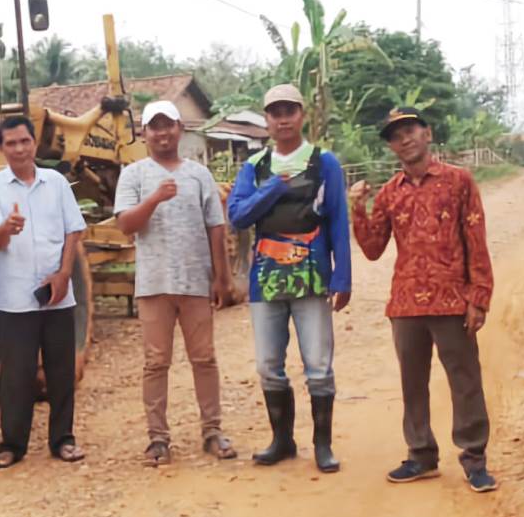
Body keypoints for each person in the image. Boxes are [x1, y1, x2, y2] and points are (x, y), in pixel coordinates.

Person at [349, 107, 498, 493]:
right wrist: (357, 208)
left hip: (451, 299)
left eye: (411, 130)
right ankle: (421, 454)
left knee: (465, 379)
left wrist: (478, 296)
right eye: (396, 135)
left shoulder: (458, 182)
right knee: (412, 381)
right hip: (406, 304)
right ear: (392, 147)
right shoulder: (389, 193)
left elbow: (475, 240)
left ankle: (474, 459)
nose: (405, 139)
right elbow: (372, 249)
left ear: (427, 134)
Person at [227, 84, 351, 473]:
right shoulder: (256, 167)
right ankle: (282, 440)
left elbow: (337, 219)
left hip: (312, 275)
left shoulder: (323, 162)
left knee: (318, 362)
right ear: (266, 120)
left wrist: (342, 276)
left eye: (290, 111)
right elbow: (238, 215)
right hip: (265, 278)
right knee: (267, 363)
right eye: (275, 112)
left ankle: (322, 445)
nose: (283, 119)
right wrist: (272, 189)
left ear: (302, 116)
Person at [114, 100, 238, 467]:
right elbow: (126, 225)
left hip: (195, 282)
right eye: (155, 127)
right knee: (155, 363)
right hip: (154, 284)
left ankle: (212, 431)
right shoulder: (133, 175)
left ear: (180, 129)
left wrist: (222, 276)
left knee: (204, 358)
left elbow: (216, 227)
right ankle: (158, 439)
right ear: (144, 133)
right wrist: (155, 198)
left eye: (169, 125)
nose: (163, 133)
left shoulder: (199, 175)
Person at [0, 116, 88, 468]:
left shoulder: (55, 182)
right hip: (15, 301)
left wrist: (65, 273)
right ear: (1, 148)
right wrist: (5, 229)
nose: (20, 148)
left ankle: (63, 440)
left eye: (25, 141)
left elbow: (74, 230)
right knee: (16, 375)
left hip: (58, 295)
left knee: (61, 373)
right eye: (11, 143)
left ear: (33, 143)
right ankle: (12, 445)